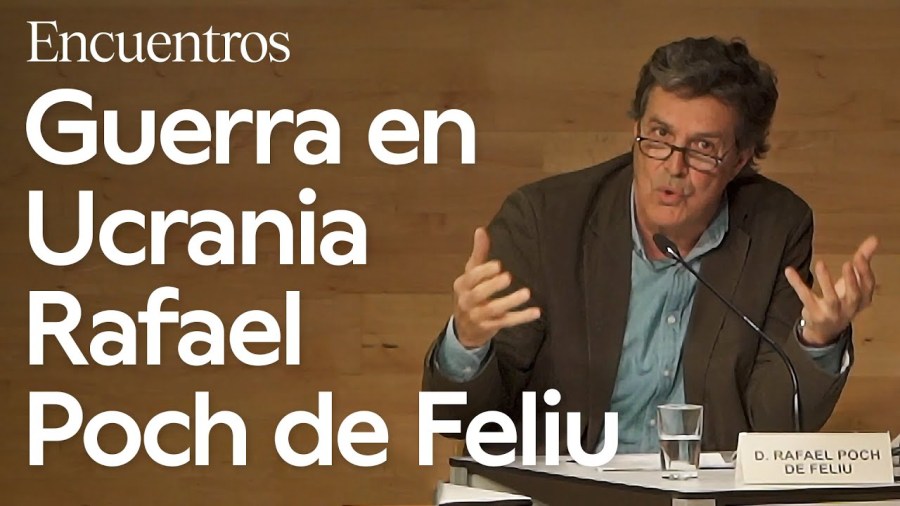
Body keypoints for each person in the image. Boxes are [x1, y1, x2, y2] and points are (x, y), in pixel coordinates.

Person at [420, 36, 879, 454]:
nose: (673, 167)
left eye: (703, 148)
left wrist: (817, 339)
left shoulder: (776, 225)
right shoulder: (544, 221)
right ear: (637, 130)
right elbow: (459, 421)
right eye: (659, 136)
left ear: (739, 159)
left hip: (703, 495)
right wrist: (468, 342)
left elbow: (773, 428)